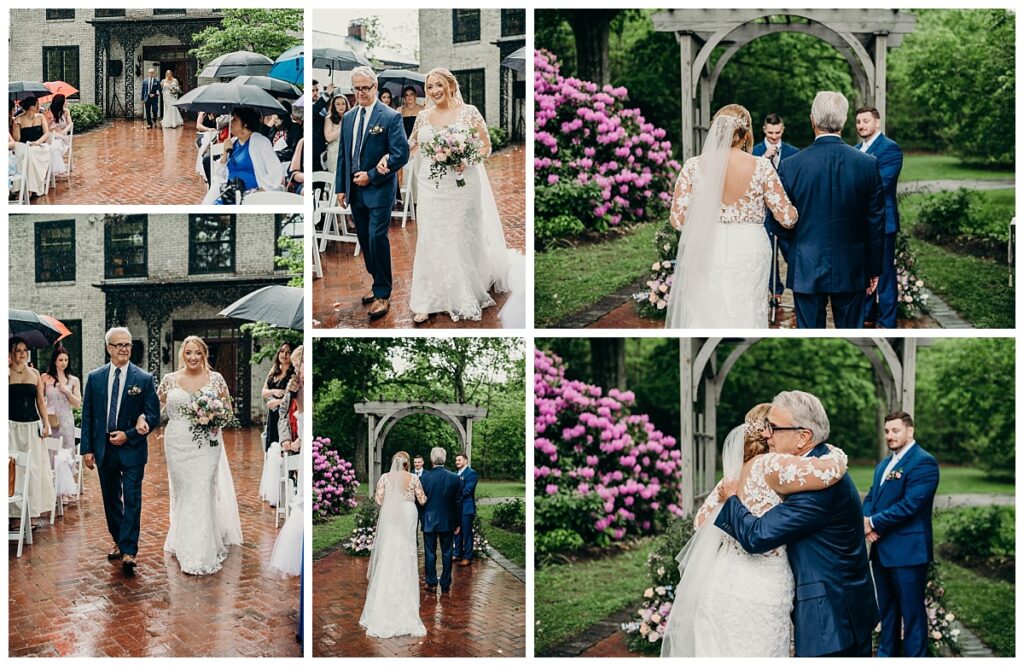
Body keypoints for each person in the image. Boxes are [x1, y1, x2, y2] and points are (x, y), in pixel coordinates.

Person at [661, 402, 852, 656]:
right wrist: (836, 452)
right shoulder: (770, 465)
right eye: (771, 427)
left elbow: (700, 523)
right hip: (759, 586)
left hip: (721, 580)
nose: (769, 433)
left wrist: (727, 498)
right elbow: (828, 471)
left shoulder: (733, 474)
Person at [711, 391, 879, 656]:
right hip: (843, 606)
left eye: (774, 428)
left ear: (803, 437)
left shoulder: (816, 488)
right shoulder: (818, 465)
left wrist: (732, 498)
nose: (766, 434)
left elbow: (757, 537)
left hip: (832, 620)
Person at [399, 68, 521, 324]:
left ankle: (465, 287)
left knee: (460, 235)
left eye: (439, 85)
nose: (434, 91)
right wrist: (388, 160)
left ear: (451, 85)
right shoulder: (423, 116)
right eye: (430, 86)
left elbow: (486, 147)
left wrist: (465, 159)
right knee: (431, 237)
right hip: (431, 186)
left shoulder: (469, 112)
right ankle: (427, 299)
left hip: (463, 184)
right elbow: (410, 147)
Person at [665, 104, 798, 328]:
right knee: (746, 310)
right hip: (749, 247)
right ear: (746, 134)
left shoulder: (693, 166)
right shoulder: (762, 166)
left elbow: (678, 221)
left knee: (707, 311)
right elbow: (787, 217)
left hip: (708, 246)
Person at [771, 91, 886, 328]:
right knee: (850, 337)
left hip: (806, 264)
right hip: (852, 266)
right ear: (843, 122)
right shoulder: (868, 164)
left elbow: (777, 222)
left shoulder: (791, 166)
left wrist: (798, 245)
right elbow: (875, 223)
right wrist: (874, 269)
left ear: (812, 120)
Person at [144, 336, 243, 575]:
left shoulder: (215, 379)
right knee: (184, 491)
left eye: (197, 353)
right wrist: (140, 421)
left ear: (204, 354)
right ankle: (183, 539)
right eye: (188, 353)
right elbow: (152, 409)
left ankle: (200, 550)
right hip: (177, 443)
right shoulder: (169, 380)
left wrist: (214, 419)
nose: (192, 357)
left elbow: (228, 412)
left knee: (201, 488)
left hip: (207, 444)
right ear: (182, 354)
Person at [79, 328, 161, 574]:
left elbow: (154, 415)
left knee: (132, 498)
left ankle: (129, 550)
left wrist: (130, 434)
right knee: (111, 498)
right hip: (105, 448)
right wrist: (87, 449)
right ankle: (118, 538)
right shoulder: (95, 378)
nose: (124, 348)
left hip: (133, 449)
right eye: (119, 345)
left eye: (128, 344)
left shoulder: (144, 378)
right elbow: (89, 416)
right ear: (109, 348)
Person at [335, 66, 410, 321]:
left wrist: (373, 176)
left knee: (377, 238)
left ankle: (383, 294)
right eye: (356, 88)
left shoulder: (390, 117)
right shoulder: (348, 118)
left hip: (379, 189)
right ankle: (377, 280)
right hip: (355, 191)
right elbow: (343, 155)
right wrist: (341, 187)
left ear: (375, 87)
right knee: (365, 241)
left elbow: (401, 155)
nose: (361, 93)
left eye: (365, 88)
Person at [862, 411, 939, 657]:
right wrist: (866, 521)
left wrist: (873, 523)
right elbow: (872, 497)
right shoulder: (884, 465)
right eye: (887, 431)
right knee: (888, 612)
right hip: (883, 550)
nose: (890, 436)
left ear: (910, 431)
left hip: (909, 552)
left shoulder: (923, 462)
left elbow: (909, 506)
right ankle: (887, 657)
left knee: (912, 614)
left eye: (895, 430)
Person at [359, 451, 427, 638]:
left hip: (391, 515)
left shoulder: (384, 477)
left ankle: (383, 599)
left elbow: (379, 499)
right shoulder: (413, 478)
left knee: (390, 551)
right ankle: (405, 600)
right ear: (407, 463)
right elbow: (422, 499)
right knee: (406, 552)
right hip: (408, 513)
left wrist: (393, 501)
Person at [855, 106, 904, 329]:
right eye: (858, 122)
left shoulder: (890, 149)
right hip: (860, 222)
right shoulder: (855, 149)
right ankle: (867, 314)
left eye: (866, 121)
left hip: (884, 222)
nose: (861, 125)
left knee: (883, 272)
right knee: (863, 270)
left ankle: (887, 320)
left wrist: (852, 191)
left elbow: (883, 184)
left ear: (877, 123)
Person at [752, 113, 799, 300]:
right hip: (763, 213)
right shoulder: (754, 152)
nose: (774, 136)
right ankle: (775, 291)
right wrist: (764, 158)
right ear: (764, 130)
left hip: (785, 213)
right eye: (770, 132)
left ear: (783, 130)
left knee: (792, 253)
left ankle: (799, 289)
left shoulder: (794, 152)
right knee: (768, 253)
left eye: (777, 133)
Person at [9, 337, 54, 525]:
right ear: (11, 352)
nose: (22, 353)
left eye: (25, 349)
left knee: (34, 468)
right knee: (13, 470)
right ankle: (13, 514)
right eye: (18, 350)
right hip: (10, 426)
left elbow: (41, 403)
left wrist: (46, 424)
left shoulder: (35, 374)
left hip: (32, 426)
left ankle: (31, 511)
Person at [202, 106, 283, 204]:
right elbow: (220, 176)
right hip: (229, 194)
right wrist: (224, 154)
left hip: (251, 198)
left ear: (245, 123)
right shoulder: (232, 142)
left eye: (234, 119)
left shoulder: (260, 142)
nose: (231, 122)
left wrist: (261, 191)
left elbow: (276, 171)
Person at [418, 447, 462, 594]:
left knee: (430, 553)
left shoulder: (423, 478)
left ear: (431, 460)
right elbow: (458, 503)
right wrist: (457, 523)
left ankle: (431, 583)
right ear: (445, 459)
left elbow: (419, 502)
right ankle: (445, 583)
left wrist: (423, 518)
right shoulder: (455, 478)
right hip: (448, 521)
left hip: (429, 521)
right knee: (447, 552)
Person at [41, 346, 82, 499]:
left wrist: (67, 391)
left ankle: (65, 491)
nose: (63, 363)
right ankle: (51, 489)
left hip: (66, 421)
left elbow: (78, 403)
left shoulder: (73, 380)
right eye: (60, 360)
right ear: (54, 361)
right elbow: (39, 400)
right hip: (51, 420)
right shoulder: (45, 378)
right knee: (51, 452)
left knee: (65, 453)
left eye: (66, 360)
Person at [11, 96, 52, 198]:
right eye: (37, 104)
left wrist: (37, 142)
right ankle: (25, 188)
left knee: (31, 153)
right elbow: (17, 139)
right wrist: (16, 126)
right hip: (25, 147)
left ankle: (29, 188)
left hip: (40, 147)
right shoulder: (19, 119)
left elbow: (47, 134)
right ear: (32, 107)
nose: (39, 106)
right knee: (24, 154)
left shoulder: (40, 117)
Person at [453, 452, 478, 566]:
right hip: (456, 508)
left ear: (465, 461)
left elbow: (468, 490)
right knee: (457, 532)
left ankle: (467, 557)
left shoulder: (471, 474)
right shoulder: (454, 474)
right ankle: (457, 554)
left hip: (466, 508)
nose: (457, 462)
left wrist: (454, 496)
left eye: (459, 460)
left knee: (467, 533)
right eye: (456, 460)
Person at [44, 94, 73, 177]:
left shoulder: (66, 111)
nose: (66, 102)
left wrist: (63, 131)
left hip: (63, 138)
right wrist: (50, 120)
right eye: (65, 100)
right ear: (61, 103)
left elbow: (70, 124)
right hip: (51, 137)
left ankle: (54, 169)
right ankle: (55, 169)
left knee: (55, 146)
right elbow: (46, 127)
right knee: (53, 146)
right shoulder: (48, 112)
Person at [323, 93, 349, 174]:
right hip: (334, 153)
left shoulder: (350, 117)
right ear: (334, 106)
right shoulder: (329, 119)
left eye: (343, 104)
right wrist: (343, 127)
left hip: (347, 152)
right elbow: (328, 137)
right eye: (338, 104)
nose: (341, 106)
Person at [311, 80, 328, 172]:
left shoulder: (322, 107)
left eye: (317, 90)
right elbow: (313, 111)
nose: (315, 93)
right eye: (312, 91)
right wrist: (327, 95)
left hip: (322, 148)